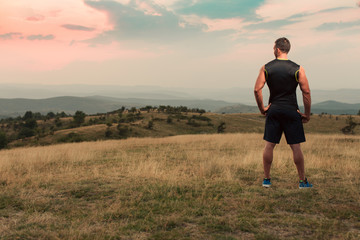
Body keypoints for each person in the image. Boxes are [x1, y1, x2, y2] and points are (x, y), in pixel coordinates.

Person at [254, 37, 313, 189]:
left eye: (274, 48)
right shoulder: (298, 68)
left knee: (269, 145)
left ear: (278, 49)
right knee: (296, 147)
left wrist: (262, 109)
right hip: (291, 110)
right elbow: (306, 92)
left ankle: (267, 180)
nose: (273, 50)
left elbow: (257, 89)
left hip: (274, 110)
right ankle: (302, 182)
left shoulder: (266, 67)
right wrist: (307, 114)